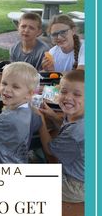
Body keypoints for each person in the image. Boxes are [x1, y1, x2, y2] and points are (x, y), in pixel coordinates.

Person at [0, 62, 42, 163]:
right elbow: (37, 123)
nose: (7, 89)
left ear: (29, 94)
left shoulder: (8, 119)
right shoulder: (29, 108)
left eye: (15, 87)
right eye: (4, 83)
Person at [38, 70, 84, 202]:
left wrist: (40, 120)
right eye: (63, 92)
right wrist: (52, 115)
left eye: (77, 94)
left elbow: (49, 149)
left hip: (76, 186)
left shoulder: (76, 131)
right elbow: (65, 127)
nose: (68, 97)